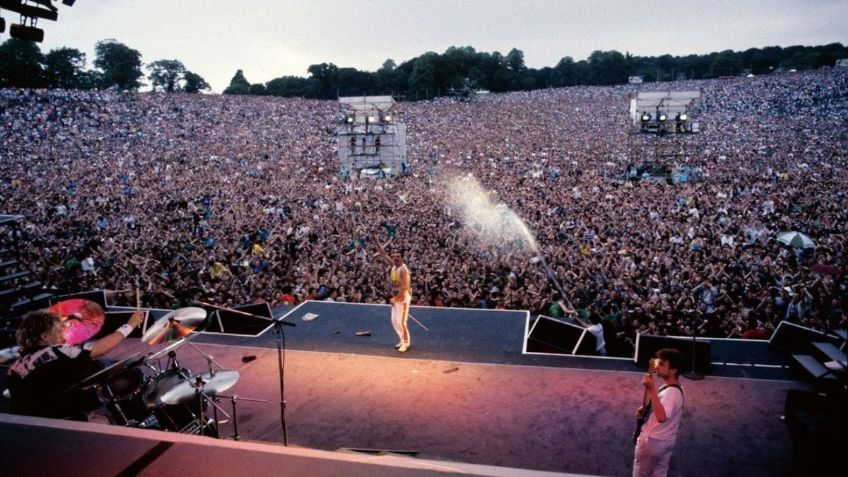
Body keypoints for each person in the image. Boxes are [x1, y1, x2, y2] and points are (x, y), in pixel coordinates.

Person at [5, 308, 144, 421]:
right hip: (61, 423)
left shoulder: (13, 368)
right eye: (58, 332)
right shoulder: (54, 351)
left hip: (32, 428)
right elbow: (100, 349)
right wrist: (130, 325)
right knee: (104, 419)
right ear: (45, 336)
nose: (62, 337)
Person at [633, 348, 685, 477]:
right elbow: (665, 410)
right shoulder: (677, 388)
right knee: (659, 473)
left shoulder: (670, 393)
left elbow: (661, 417)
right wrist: (646, 408)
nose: (657, 366)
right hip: (667, 440)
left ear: (674, 370)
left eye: (662, 364)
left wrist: (651, 388)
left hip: (653, 441)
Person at [377, 239, 411, 352]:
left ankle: (406, 342)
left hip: (403, 297)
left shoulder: (403, 270)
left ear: (402, 258)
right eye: (394, 256)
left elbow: (405, 287)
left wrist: (395, 299)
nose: (395, 258)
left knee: (401, 322)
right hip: (396, 297)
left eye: (398, 256)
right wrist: (377, 243)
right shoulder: (394, 266)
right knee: (394, 320)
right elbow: (384, 255)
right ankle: (402, 339)